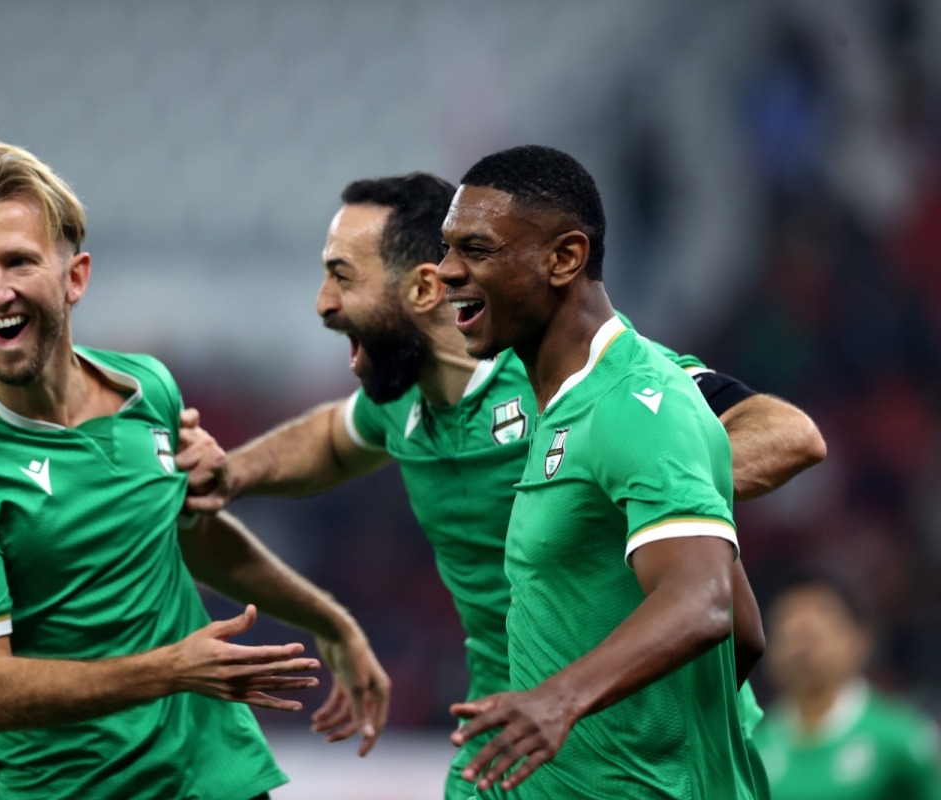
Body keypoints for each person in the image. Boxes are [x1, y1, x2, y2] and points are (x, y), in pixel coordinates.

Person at [182, 170, 825, 798]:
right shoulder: (402, 400)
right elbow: (331, 437)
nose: (323, 303)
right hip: (506, 726)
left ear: (425, 288)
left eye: (343, 277)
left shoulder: (582, 383)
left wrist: (642, 498)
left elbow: (790, 434)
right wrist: (234, 472)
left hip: (640, 724)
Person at [0, 141, 389, 800]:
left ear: (75, 277)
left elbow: (195, 537)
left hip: (217, 778)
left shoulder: (149, 388)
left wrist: (331, 622)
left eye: (18, 261)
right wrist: (173, 670)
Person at [425, 143, 764, 797]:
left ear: (565, 258)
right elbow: (745, 632)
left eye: (475, 249)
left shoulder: (638, 405)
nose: (446, 271)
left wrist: (562, 701)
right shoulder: (552, 400)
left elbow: (704, 602)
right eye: (446, 248)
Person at [754, 572, 941, 799]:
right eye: (790, 632)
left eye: (813, 634)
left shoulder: (903, 739)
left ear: (860, 639)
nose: (802, 648)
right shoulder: (752, 748)